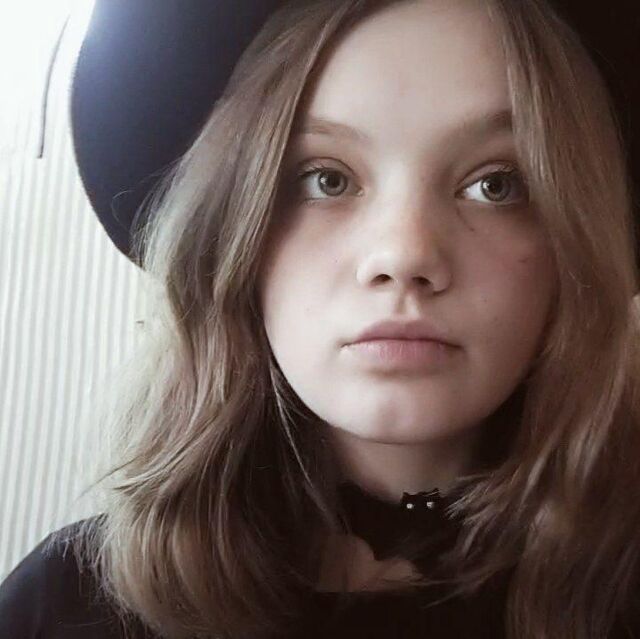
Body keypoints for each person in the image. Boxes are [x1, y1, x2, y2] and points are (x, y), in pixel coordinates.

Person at [1, 0, 639, 637]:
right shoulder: (60, 608)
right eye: (326, 179)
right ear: (234, 237)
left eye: (497, 184)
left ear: (576, 246)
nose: (404, 255)